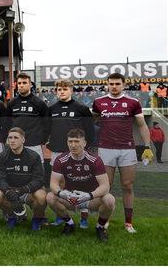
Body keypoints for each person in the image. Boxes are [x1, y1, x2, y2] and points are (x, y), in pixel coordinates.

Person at [92, 73, 153, 233]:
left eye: (117, 83)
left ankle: (128, 222)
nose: (114, 86)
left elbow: (142, 125)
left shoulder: (133, 102)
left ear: (123, 85)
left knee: (127, 185)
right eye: (111, 83)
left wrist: (147, 146)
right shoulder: (98, 102)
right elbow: (90, 122)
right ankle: (105, 221)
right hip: (105, 149)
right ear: (107, 85)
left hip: (127, 149)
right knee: (106, 187)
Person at [47, 128, 116, 242]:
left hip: (90, 198)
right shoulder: (60, 160)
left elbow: (105, 186)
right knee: (50, 197)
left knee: (109, 200)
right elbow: (53, 184)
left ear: (84, 143)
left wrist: (88, 195)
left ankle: (100, 227)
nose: (73, 145)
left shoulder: (95, 160)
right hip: (71, 198)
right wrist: (62, 193)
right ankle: (69, 224)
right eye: (70, 141)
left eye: (77, 141)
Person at [47, 78, 95, 228]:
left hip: (77, 153)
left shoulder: (81, 109)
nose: (62, 92)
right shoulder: (52, 109)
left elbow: (90, 131)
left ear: (71, 90)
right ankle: (61, 216)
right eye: (59, 89)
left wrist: (86, 148)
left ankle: (84, 218)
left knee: (82, 182)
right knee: (59, 185)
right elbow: (47, 129)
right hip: (57, 152)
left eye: (65, 89)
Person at [0, 127, 46, 231]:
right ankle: (13, 216)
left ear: (23, 140)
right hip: (11, 190)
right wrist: (9, 191)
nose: (12, 140)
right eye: (10, 138)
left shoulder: (34, 156)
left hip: (28, 190)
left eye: (16, 138)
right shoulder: (2, 156)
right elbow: (0, 179)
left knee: (41, 196)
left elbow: (39, 180)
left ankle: (37, 219)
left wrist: (22, 190)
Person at [6, 73, 49, 160]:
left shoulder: (40, 103)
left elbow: (47, 123)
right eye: (19, 83)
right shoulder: (12, 103)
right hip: (16, 145)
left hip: (34, 145)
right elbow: (7, 123)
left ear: (30, 84)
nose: (21, 85)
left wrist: (41, 140)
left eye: (24, 83)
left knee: (37, 172)